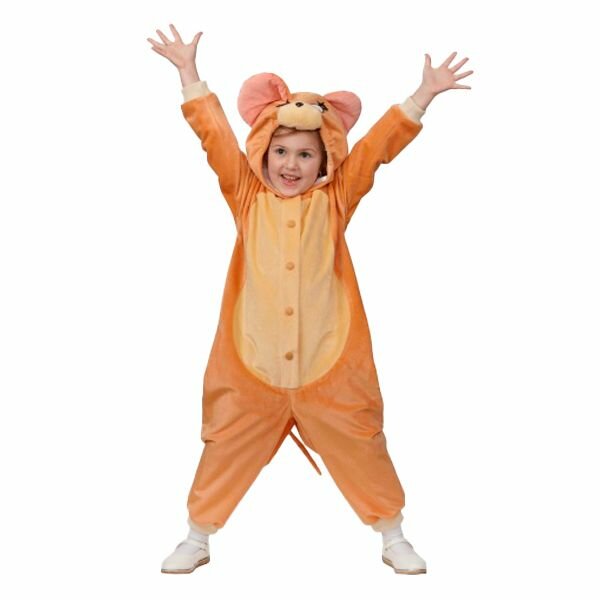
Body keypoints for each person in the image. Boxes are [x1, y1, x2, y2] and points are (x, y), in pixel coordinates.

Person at [147, 24, 473, 575]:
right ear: (262, 152)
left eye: (305, 154)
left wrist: (421, 96)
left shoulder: (336, 199)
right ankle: (197, 536)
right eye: (280, 151)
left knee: (362, 444)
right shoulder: (247, 196)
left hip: (331, 364)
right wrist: (189, 75)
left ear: (324, 161)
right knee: (224, 446)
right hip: (251, 365)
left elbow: (375, 150)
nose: (291, 165)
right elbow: (215, 139)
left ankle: (392, 534)